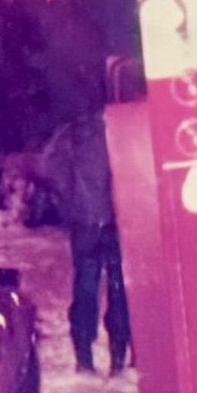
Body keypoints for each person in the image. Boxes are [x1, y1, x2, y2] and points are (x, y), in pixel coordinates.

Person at [42, 110, 131, 376]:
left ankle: (84, 358)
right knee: (119, 290)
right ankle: (118, 357)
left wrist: (71, 202)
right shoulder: (122, 129)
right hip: (118, 220)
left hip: (86, 223)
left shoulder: (73, 131)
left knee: (85, 288)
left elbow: (48, 167)